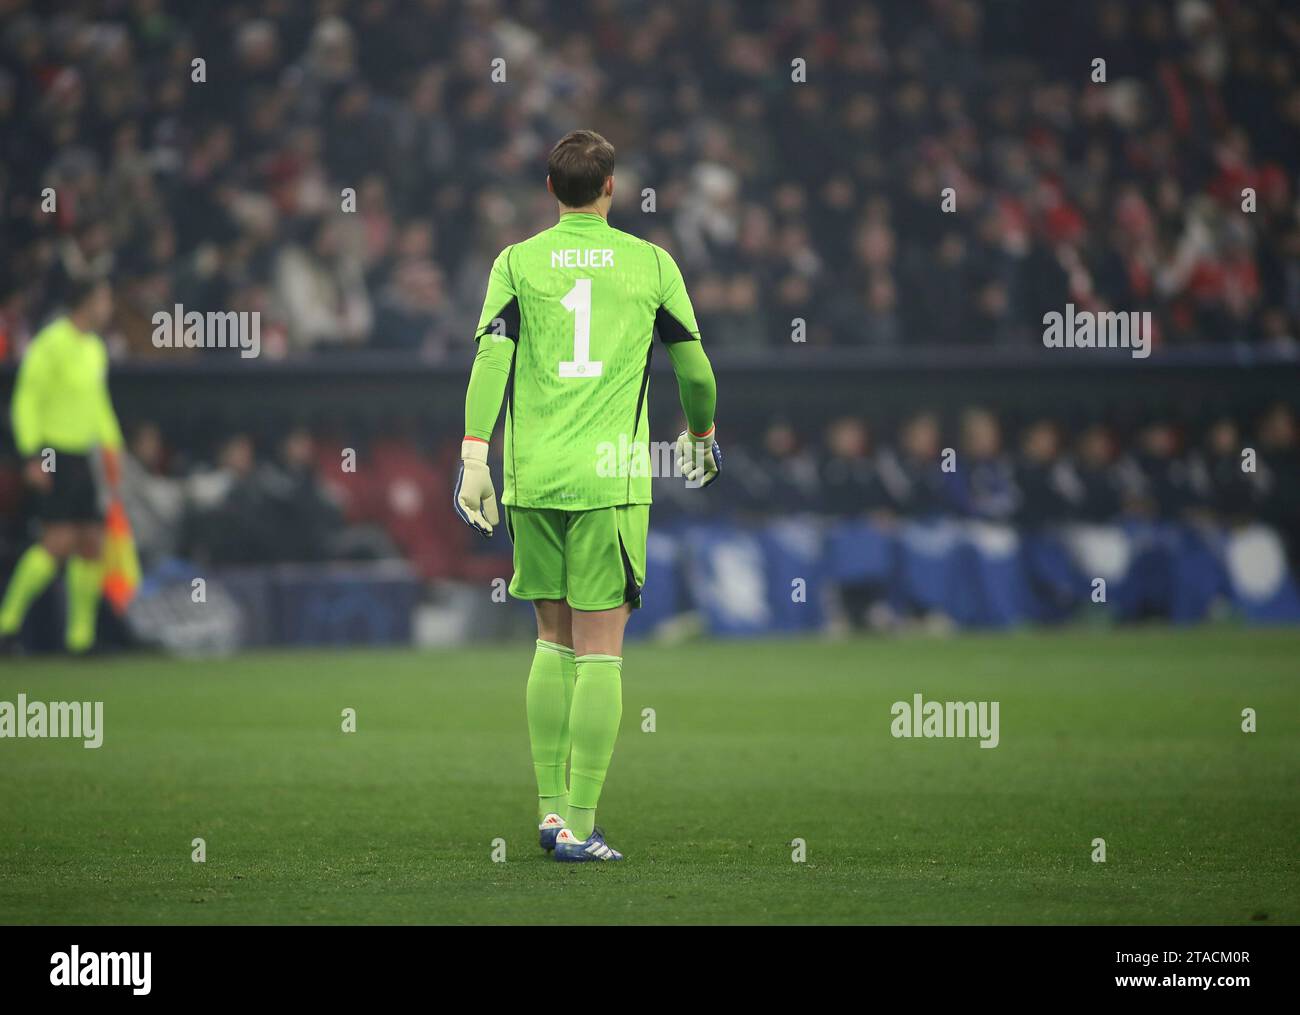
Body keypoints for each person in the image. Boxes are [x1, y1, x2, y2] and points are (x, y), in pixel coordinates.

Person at [454, 130, 719, 862]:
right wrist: (701, 434)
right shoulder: (651, 264)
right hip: (609, 478)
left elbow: (490, 358)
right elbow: (694, 370)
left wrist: (475, 453)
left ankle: (546, 811)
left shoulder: (515, 261)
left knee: (550, 637)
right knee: (603, 649)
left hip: (532, 475)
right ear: (611, 188)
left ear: (549, 189)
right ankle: (578, 821)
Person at [0, 277, 123, 653]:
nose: (109, 307)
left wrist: (112, 448)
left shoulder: (95, 348)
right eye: (103, 298)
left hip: (84, 457)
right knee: (58, 541)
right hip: (54, 453)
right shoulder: (51, 343)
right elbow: (26, 400)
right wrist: (33, 455)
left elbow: (98, 405)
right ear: (85, 302)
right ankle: (6, 624)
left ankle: (79, 638)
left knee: (92, 543)